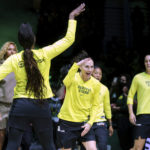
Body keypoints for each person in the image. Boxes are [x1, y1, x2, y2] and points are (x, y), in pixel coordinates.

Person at [0, 3, 85, 150]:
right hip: (41, 106)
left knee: (12, 145)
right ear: (33, 40)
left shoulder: (14, 59)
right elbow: (68, 40)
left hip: (20, 105)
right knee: (49, 145)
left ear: (20, 41)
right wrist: (71, 18)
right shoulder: (45, 53)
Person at [57, 56, 102, 150]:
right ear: (80, 67)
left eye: (92, 67)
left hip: (83, 123)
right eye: (86, 66)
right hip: (67, 122)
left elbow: (95, 105)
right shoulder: (73, 77)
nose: (90, 69)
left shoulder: (96, 84)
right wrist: (75, 65)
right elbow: (65, 82)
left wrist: (90, 123)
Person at [127, 54, 150, 150]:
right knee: (137, 148)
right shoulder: (138, 77)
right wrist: (131, 113)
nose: (148, 63)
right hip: (142, 116)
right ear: (144, 63)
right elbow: (130, 96)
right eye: (146, 61)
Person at [0, 42, 17, 150]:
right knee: (1, 136)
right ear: (5, 51)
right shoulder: (1, 66)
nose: (12, 51)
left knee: (15, 136)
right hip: (1, 106)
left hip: (15, 105)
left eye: (14, 50)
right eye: (9, 49)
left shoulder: (18, 67)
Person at [92, 66, 113, 150]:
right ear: (91, 73)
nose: (98, 75)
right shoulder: (85, 86)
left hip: (100, 122)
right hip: (87, 122)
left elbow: (107, 107)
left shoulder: (105, 89)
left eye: (100, 74)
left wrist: (110, 125)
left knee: (102, 146)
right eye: (96, 73)